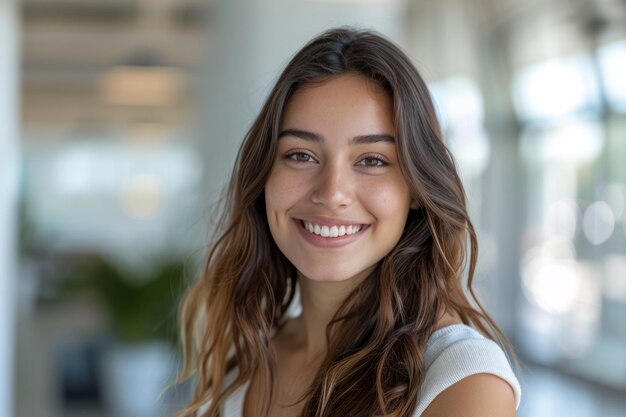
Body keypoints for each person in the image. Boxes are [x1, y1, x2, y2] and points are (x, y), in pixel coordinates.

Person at [175, 27, 521, 417]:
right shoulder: (249, 354)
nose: (332, 192)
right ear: (263, 177)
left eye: (372, 160)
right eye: (301, 155)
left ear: (417, 190)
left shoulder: (462, 380)